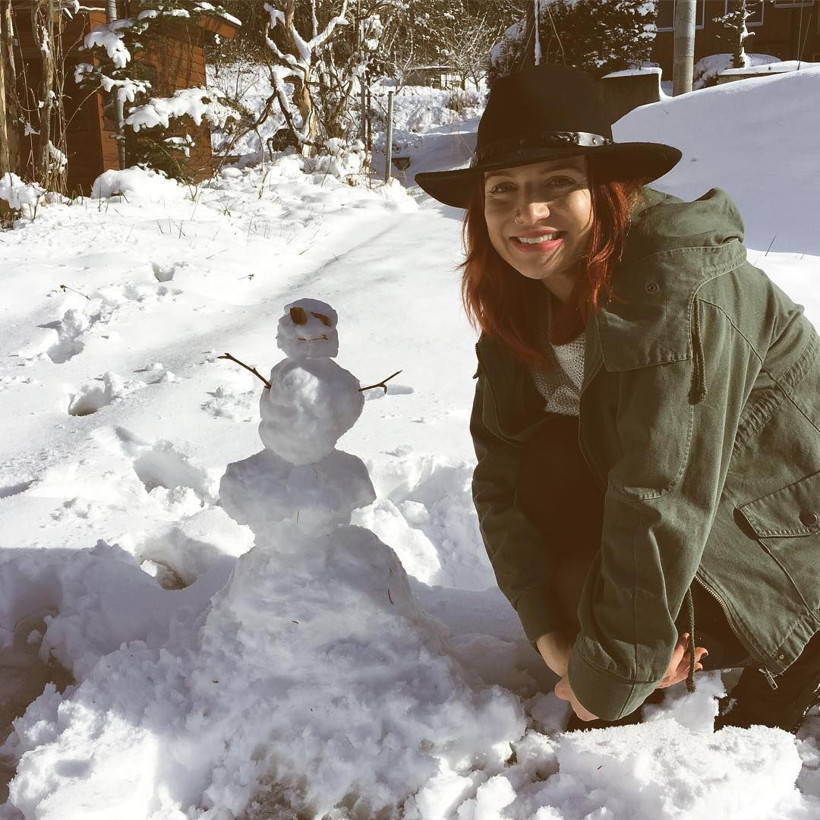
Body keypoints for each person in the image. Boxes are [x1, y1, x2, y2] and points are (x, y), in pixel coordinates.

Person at [415, 64, 820, 732]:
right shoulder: (521, 298)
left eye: (557, 184)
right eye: (504, 191)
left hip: (788, 534)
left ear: (605, 188)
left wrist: (606, 680)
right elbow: (501, 479)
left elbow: (660, 492)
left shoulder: (678, 288)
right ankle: (658, 643)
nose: (528, 213)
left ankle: (800, 641)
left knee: (594, 602)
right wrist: (553, 640)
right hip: (704, 511)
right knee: (552, 504)